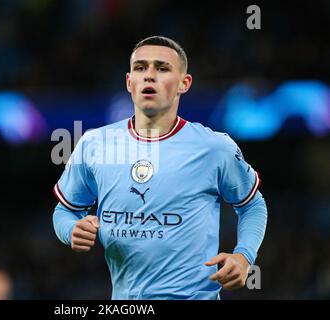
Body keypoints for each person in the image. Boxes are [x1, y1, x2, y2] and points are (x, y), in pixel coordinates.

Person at [52, 36, 267, 299]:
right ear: (129, 82)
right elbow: (65, 210)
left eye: (162, 68)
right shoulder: (94, 144)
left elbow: (252, 205)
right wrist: (70, 230)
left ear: (183, 83)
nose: (149, 76)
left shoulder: (214, 148)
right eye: (141, 68)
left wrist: (244, 256)